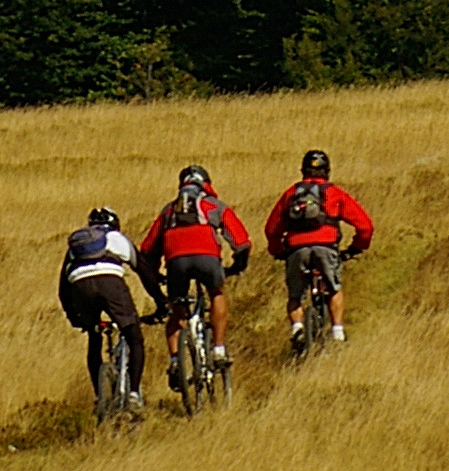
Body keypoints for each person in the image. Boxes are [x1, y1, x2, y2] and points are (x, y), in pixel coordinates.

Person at [135, 163, 251, 379]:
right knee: (216, 293)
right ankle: (218, 349)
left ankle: (175, 362)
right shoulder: (213, 205)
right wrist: (238, 266)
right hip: (208, 259)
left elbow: (148, 250)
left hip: (176, 262)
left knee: (177, 311)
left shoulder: (169, 210)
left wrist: (155, 273)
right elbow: (241, 242)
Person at [266, 148, 375, 353]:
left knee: (295, 295)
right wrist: (356, 248)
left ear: (303, 171)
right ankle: (337, 333)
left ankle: (297, 329)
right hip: (326, 247)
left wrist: (278, 251)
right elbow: (365, 226)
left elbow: (271, 229)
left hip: (296, 249)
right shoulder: (335, 193)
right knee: (334, 288)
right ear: (327, 171)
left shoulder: (291, 193)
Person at [57, 206, 146, 407]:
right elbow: (143, 270)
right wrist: (161, 303)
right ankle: (133, 395)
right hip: (110, 285)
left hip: (81, 287)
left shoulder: (77, 246)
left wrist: (74, 318)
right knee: (134, 338)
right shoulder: (117, 238)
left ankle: (99, 397)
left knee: (94, 336)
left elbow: (63, 289)